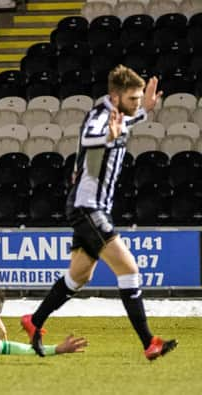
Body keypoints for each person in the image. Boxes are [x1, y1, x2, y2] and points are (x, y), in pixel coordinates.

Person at [20, 65, 177, 360]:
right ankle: (149, 342)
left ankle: (34, 321)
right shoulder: (100, 116)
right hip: (87, 208)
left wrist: (146, 110)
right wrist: (108, 136)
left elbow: (125, 124)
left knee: (79, 275)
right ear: (115, 97)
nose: (136, 103)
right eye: (133, 99)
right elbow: (90, 138)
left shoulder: (120, 116)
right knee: (129, 269)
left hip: (92, 207)